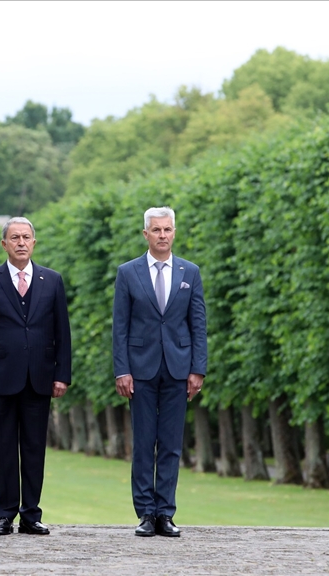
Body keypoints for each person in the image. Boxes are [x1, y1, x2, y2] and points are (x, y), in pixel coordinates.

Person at [0, 217, 71, 536]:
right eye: (14, 238)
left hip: (40, 376)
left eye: (26, 237)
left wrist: (62, 374)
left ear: (34, 242)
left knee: (33, 447)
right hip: (0, 377)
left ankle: (31, 513)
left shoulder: (52, 281)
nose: (21, 243)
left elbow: (62, 333)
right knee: (1, 447)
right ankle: (3, 513)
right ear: (4, 244)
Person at [112, 206, 207, 538]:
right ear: (145, 234)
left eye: (167, 230)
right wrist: (121, 370)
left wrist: (198, 369)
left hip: (179, 368)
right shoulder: (128, 272)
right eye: (156, 230)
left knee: (171, 444)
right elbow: (120, 327)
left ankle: (165, 512)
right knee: (143, 443)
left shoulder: (189, 272)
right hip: (140, 370)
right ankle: (145, 514)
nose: (162, 235)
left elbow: (198, 324)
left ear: (174, 233)